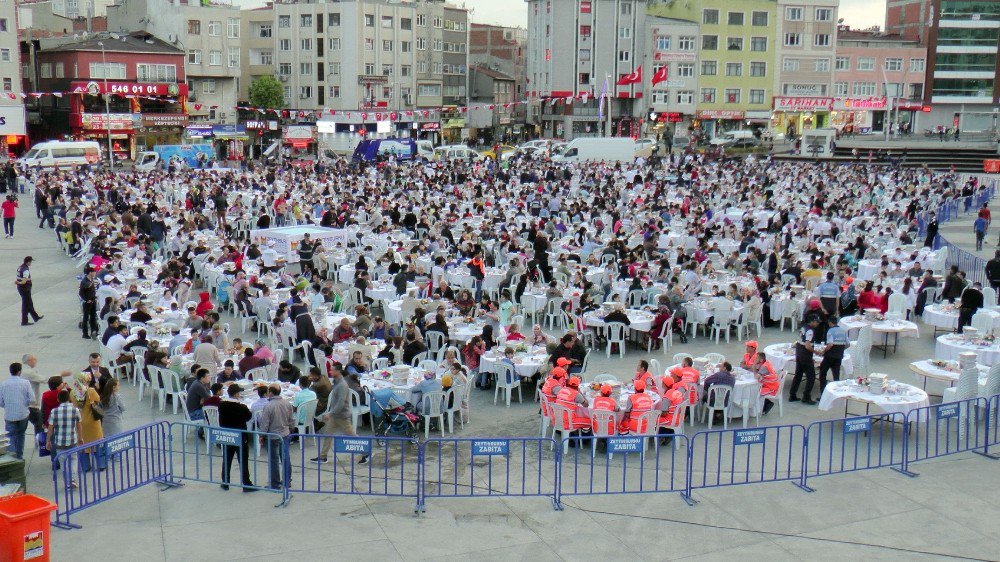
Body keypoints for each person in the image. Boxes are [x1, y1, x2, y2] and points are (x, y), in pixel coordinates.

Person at [312, 364, 368, 464]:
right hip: (336, 415)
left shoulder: (342, 385)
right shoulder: (337, 382)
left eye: (332, 370)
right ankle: (323, 456)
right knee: (328, 434)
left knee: (352, 436)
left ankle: (366, 453)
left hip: (341, 416)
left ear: (338, 371)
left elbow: (341, 403)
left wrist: (330, 413)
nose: (330, 372)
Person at [256, 384, 295, 489]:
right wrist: (291, 429)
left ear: (271, 393)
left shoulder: (268, 406)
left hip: (273, 436)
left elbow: (265, 424)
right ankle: (287, 481)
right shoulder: (287, 403)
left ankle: (275, 484)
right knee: (285, 458)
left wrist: (261, 435)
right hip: (285, 434)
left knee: (274, 461)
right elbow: (291, 419)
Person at [218, 384, 255, 491]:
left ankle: (225, 482)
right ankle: (246, 483)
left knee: (227, 459)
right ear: (237, 394)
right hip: (240, 436)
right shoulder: (241, 407)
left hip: (227, 435)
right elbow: (248, 417)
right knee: (243, 460)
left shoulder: (222, 405)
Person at [46, 390, 83, 486]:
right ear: (69, 399)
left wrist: (48, 441)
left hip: (59, 441)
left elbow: (50, 428)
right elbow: (79, 426)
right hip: (72, 440)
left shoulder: (54, 411)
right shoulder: (76, 410)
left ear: (58, 399)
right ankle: (72, 478)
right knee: (74, 459)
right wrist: (80, 438)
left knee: (63, 462)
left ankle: (68, 481)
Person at [0, 362, 33, 459]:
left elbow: (1, 402)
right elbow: (32, 399)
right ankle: (20, 456)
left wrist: (7, 406)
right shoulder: (25, 383)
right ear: (19, 372)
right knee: (21, 435)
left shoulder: (4, 384)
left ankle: (12, 458)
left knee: (11, 437)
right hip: (23, 415)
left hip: (10, 415)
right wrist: (24, 404)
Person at [788, 317, 820, 405]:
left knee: (798, 375)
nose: (817, 324)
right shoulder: (810, 331)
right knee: (811, 377)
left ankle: (792, 394)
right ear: (812, 321)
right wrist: (815, 352)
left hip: (799, 353)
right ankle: (806, 396)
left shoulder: (803, 327)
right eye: (817, 322)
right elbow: (807, 346)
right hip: (805, 355)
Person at [819, 318, 849, 392]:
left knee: (822, 373)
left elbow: (830, 344)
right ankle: (837, 392)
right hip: (839, 355)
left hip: (830, 355)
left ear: (830, 322)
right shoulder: (843, 330)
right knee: (836, 375)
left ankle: (823, 392)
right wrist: (841, 349)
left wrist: (824, 351)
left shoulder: (830, 331)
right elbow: (848, 344)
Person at [15, 256, 43, 326]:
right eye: (31, 262)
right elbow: (24, 281)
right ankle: (24, 321)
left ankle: (36, 317)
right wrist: (19, 283)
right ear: (28, 262)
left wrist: (18, 283)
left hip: (20, 288)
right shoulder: (26, 270)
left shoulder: (20, 267)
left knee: (29, 303)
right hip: (25, 288)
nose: (31, 263)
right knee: (26, 305)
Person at [79, 267, 99, 339]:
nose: (95, 273)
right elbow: (81, 293)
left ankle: (94, 331)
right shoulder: (84, 281)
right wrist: (87, 299)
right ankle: (85, 333)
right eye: (94, 272)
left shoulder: (91, 280)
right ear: (90, 272)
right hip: (88, 302)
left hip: (93, 301)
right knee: (86, 317)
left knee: (93, 317)